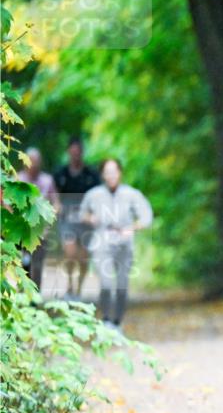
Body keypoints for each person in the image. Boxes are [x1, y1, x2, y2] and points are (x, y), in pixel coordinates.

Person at [79, 158, 153, 329]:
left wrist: (133, 228)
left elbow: (146, 216)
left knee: (122, 284)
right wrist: (91, 218)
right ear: (103, 175)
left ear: (120, 173)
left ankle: (117, 321)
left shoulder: (132, 194)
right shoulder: (93, 194)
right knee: (105, 283)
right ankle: (106, 319)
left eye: (114, 171)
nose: (111, 176)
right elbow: (82, 214)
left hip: (124, 241)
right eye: (107, 172)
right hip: (102, 240)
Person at [53, 136, 101, 299]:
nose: (75, 156)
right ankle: (69, 286)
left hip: (86, 220)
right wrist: (57, 206)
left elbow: (98, 196)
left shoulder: (91, 174)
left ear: (81, 153)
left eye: (78, 153)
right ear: (68, 152)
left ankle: (79, 287)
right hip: (67, 219)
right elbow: (55, 194)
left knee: (83, 257)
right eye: (72, 152)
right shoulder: (61, 173)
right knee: (70, 252)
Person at [18, 147, 61, 290]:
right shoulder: (18, 179)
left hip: (41, 231)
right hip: (21, 231)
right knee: (23, 265)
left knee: (38, 265)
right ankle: (23, 297)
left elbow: (56, 204)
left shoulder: (47, 180)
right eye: (31, 162)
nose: (34, 165)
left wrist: (49, 221)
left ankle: (35, 298)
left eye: (37, 162)